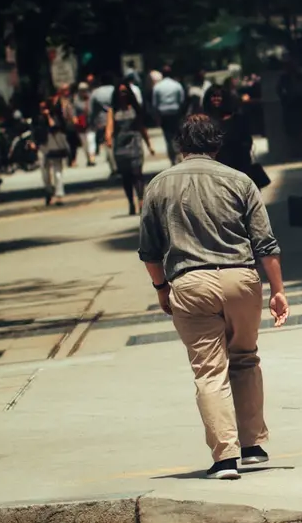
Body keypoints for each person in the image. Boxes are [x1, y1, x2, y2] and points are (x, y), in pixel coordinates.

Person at [138, 113, 290, 481]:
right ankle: (252, 446)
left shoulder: (157, 186)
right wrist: (278, 290)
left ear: (180, 147)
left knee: (210, 371)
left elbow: (149, 251)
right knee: (245, 358)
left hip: (190, 283)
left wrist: (162, 290)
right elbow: (265, 244)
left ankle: (225, 459)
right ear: (217, 145)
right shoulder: (240, 181)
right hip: (240, 279)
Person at [106, 81, 156, 215]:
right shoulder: (113, 110)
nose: (123, 95)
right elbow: (109, 126)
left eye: (125, 92)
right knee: (126, 176)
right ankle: (130, 202)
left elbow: (141, 127)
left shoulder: (135, 108)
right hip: (120, 145)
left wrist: (149, 145)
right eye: (120, 92)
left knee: (137, 173)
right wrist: (109, 139)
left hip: (135, 142)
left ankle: (140, 200)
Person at [201, 81, 252, 173]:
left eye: (219, 96)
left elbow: (247, 140)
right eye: (213, 96)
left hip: (238, 163)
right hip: (216, 165)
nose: (216, 99)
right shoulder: (204, 121)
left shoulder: (237, 118)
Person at [34, 100, 70, 205]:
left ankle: (59, 194)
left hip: (54, 145)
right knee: (44, 171)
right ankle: (48, 191)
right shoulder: (37, 118)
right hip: (42, 145)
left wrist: (48, 116)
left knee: (57, 171)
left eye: (45, 108)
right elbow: (34, 130)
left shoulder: (55, 116)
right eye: (41, 108)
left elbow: (55, 126)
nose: (43, 110)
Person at [152, 65, 186, 165]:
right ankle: (179, 156)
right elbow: (182, 100)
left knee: (167, 137)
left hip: (164, 114)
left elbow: (155, 104)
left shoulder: (157, 87)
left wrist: (156, 117)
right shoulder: (177, 85)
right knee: (177, 136)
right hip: (175, 113)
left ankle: (172, 159)